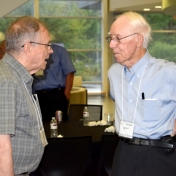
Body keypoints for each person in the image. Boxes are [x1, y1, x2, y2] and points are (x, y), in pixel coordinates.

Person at [107, 11, 176, 176]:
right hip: (123, 152)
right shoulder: (114, 73)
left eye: (118, 38)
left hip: (157, 155)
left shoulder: (168, 72)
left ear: (138, 39)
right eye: (110, 38)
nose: (111, 45)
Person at [0, 16, 53, 175]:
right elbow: (1, 146)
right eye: (47, 45)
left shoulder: (17, 77)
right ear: (28, 48)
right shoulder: (7, 80)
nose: (51, 50)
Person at [33, 44, 76, 121]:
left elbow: (70, 74)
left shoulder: (59, 51)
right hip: (38, 96)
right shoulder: (31, 51)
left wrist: (65, 97)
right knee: (40, 126)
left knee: (60, 126)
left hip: (57, 95)